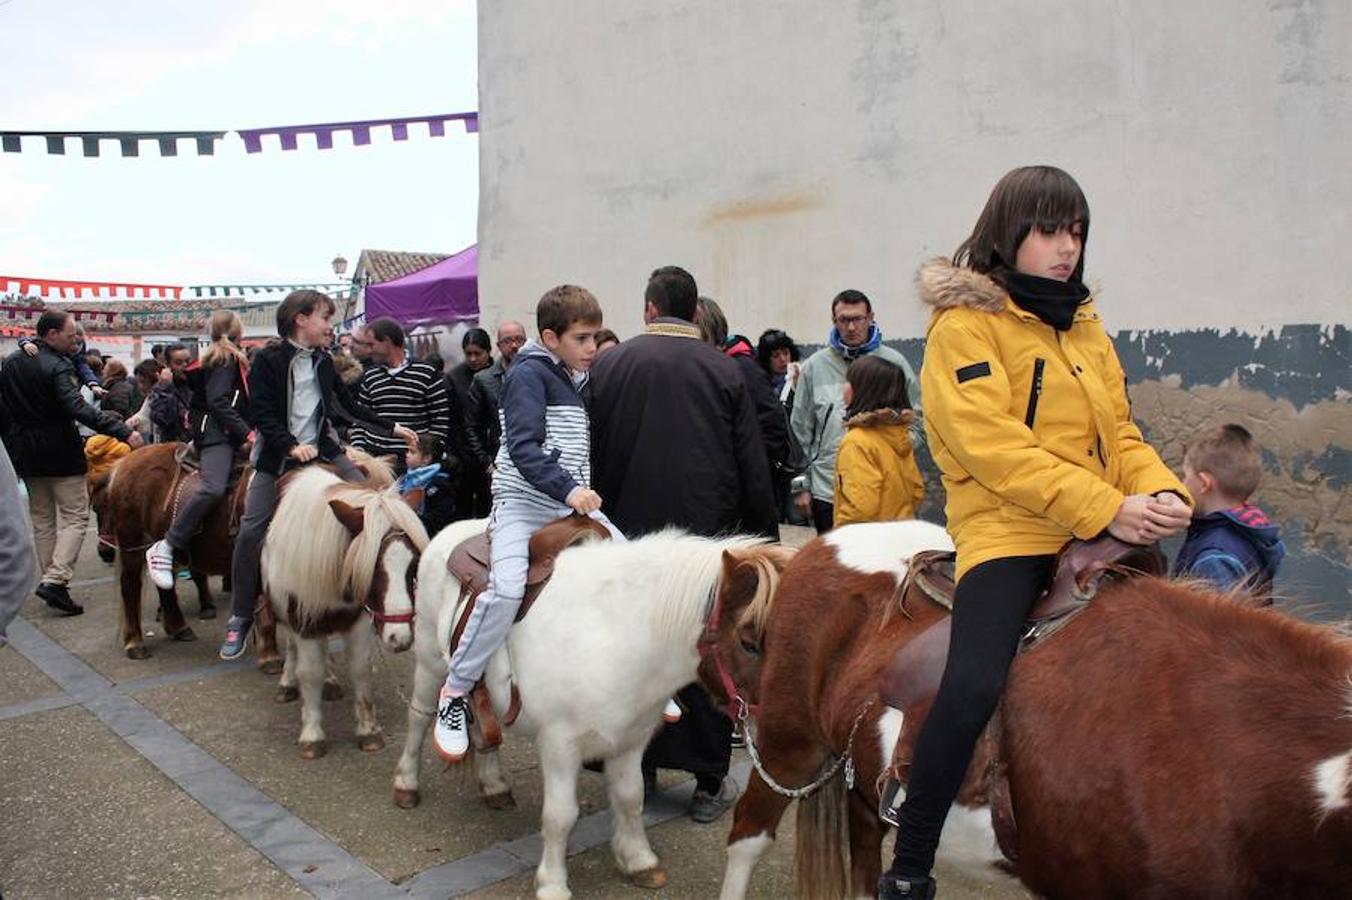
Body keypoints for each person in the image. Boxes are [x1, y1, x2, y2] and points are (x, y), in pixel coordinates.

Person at [877, 166, 1194, 900]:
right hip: (1010, 532)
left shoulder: (1082, 322)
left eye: (1077, 231)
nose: (1066, 248)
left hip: (1098, 526)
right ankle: (912, 859)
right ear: (1008, 233)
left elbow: (1119, 430)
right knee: (975, 679)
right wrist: (1104, 508)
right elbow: (992, 448)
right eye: (1049, 231)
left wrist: (1160, 490)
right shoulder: (964, 328)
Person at [591, 266, 778, 824]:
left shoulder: (609, 365)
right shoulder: (725, 370)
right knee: (706, 649)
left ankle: (637, 768)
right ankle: (707, 779)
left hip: (630, 538)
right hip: (704, 541)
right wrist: (763, 541)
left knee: (633, 651)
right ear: (694, 313)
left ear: (649, 309)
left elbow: (589, 449)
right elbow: (752, 464)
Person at [432, 285, 623, 762]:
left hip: (567, 506)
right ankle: (454, 692)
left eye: (595, 337)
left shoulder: (574, 376)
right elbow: (523, 447)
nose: (592, 348)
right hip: (522, 506)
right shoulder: (528, 376)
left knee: (629, 562)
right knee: (506, 589)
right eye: (582, 338)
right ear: (550, 336)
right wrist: (571, 490)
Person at [217, 291, 417, 660]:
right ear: (300, 319)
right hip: (276, 458)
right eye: (325, 318)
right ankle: (241, 616)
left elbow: (347, 407)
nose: (330, 326)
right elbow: (260, 413)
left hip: (322, 452)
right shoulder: (267, 360)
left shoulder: (324, 362)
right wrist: (291, 445)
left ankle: (368, 596)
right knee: (250, 531)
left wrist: (392, 428)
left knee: (375, 507)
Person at [0, 311, 144, 616]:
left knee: (42, 520)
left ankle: (53, 581)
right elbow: (77, 408)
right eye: (70, 335)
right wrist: (123, 431)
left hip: (26, 453)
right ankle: (56, 579)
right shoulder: (57, 366)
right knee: (76, 516)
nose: (75, 340)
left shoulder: (12, 363)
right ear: (51, 334)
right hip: (60, 451)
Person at [790, 289, 922, 533]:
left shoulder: (895, 364)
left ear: (871, 317)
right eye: (844, 320)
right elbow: (799, 432)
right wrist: (801, 486)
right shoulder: (815, 367)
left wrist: (886, 451)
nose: (851, 327)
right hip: (827, 490)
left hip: (888, 493)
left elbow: (916, 423)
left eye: (857, 319)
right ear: (834, 321)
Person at [144, 312, 252, 590]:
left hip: (224, 432)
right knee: (213, 487)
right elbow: (218, 402)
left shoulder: (227, 357)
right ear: (237, 330)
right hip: (217, 435)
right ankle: (168, 545)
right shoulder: (224, 359)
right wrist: (247, 433)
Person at [1174, 423, 1285, 596]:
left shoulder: (1214, 559)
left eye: (1185, 476)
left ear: (1204, 483)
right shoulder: (1251, 528)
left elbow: (1222, 621)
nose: (1182, 484)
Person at [349, 317, 451, 470]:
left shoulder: (427, 373)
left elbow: (440, 421)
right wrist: (360, 454)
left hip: (414, 465)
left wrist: (426, 457)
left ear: (387, 342)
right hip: (376, 463)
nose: (369, 350)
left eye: (372, 344)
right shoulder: (369, 377)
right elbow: (360, 420)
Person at [832, 355, 924, 527]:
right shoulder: (899, 435)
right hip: (900, 537)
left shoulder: (856, 441)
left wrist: (841, 542)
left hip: (866, 545)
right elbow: (916, 491)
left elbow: (859, 508)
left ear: (863, 390)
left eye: (848, 382)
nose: (844, 387)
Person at [464, 320, 528, 485]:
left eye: (519, 340)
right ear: (499, 346)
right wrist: (486, 462)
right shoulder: (483, 380)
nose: (514, 345)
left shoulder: (540, 374)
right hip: (501, 462)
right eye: (508, 341)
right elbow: (472, 427)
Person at [448, 327, 495, 518]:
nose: (473, 359)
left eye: (478, 353)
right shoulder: (455, 378)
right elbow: (452, 419)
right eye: (469, 354)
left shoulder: (497, 374)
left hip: (492, 454)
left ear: (488, 351)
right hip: (464, 456)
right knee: (463, 510)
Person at [0, 437, 39, 644]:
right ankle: (56, 576)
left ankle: (54, 575)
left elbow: (12, 550)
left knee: (45, 521)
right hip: (53, 459)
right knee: (66, 518)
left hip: (32, 462)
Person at [397, 434, 457, 537]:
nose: (407, 454)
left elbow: (440, 516)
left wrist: (415, 522)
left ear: (426, 459)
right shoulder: (406, 477)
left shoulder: (438, 483)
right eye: (408, 451)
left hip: (427, 536)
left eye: (412, 452)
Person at [149, 343, 193, 443]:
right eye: (178, 363)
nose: (185, 366)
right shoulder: (163, 388)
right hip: (174, 443)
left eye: (187, 361)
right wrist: (165, 388)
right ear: (168, 365)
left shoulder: (197, 383)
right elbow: (161, 418)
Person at [756, 328, 801, 402]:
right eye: (775, 356)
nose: (782, 359)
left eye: (786, 353)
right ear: (766, 360)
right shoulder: (760, 384)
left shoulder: (800, 376)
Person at [125, 359, 162, 441]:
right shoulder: (151, 397)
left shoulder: (160, 398)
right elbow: (143, 414)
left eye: (143, 382)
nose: (140, 387)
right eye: (139, 382)